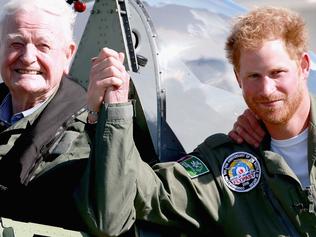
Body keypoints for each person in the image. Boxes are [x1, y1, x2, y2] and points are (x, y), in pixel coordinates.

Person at [76, 6, 316, 237]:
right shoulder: (225, 164)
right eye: (254, 76)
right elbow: (135, 198)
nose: (266, 89)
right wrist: (113, 111)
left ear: (304, 66)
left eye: (277, 73)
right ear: (238, 77)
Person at [0, 0, 128, 232]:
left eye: (43, 46)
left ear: (68, 55)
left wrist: (114, 113)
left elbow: (108, 222)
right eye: (16, 43)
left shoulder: (87, 131)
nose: (28, 57)